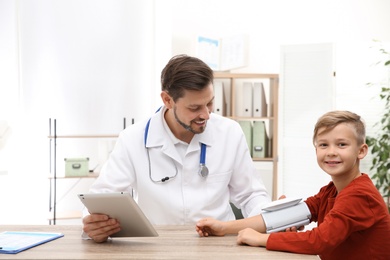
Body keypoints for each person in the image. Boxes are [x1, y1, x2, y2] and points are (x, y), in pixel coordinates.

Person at [82, 54, 271, 242]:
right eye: (195, 108)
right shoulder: (132, 139)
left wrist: (269, 218)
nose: (206, 115)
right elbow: (102, 197)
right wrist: (94, 224)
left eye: (210, 103)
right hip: (158, 246)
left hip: (218, 245)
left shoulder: (230, 133)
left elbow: (250, 194)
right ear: (167, 100)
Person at [196, 110, 390, 260]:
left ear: (361, 151)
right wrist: (223, 227)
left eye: (341, 145)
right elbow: (285, 217)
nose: (331, 152)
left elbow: (319, 241)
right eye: (323, 145)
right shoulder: (331, 191)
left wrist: (261, 239)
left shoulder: (360, 195)